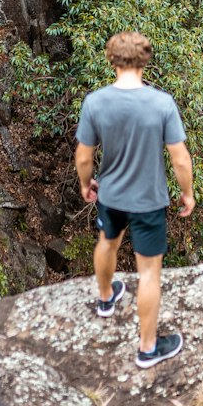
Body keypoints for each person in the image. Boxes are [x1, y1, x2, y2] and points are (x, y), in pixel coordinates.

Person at [74, 30, 194, 368]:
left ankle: (105, 298)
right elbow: (180, 158)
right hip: (149, 200)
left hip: (111, 195)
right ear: (144, 60)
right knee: (149, 274)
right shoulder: (161, 103)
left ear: (111, 59)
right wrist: (187, 193)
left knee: (107, 242)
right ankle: (147, 348)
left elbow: (84, 156)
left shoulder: (95, 102)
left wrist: (87, 184)